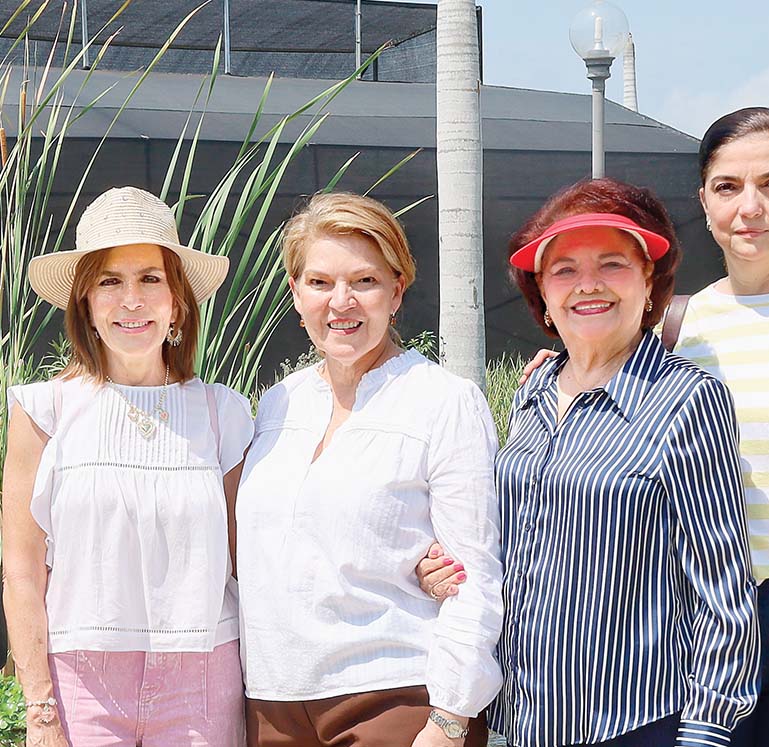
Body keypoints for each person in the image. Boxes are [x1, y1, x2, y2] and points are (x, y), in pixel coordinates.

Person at [422, 110, 769, 747]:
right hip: (678, 631)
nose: (750, 208)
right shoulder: (692, 321)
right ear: (704, 199)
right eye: (728, 187)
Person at [491, 178, 758, 747]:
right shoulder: (532, 393)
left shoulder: (687, 399)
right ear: (541, 290)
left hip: (631, 722)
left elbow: (722, 587)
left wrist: (706, 731)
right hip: (522, 719)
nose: (587, 285)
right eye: (563, 269)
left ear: (648, 280)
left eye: (612, 264)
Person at [235, 192, 503, 747]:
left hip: (394, 700)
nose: (341, 302)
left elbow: (475, 573)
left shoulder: (444, 401)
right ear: (295, 292)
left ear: (396, 291)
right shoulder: (275, 405)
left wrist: (450, 719)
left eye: (364, 281)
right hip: (271, 703)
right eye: (319, 282)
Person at [2, 186, 251, 746]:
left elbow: (253, 560)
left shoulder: (223, 413)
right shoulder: (43, 410)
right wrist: (39, 709)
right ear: (85, 302)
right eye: (110, 282)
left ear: (178, 301)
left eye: (150, 279)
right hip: (79, 684)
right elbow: (21, 570)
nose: (132, 300)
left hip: (205, 678)